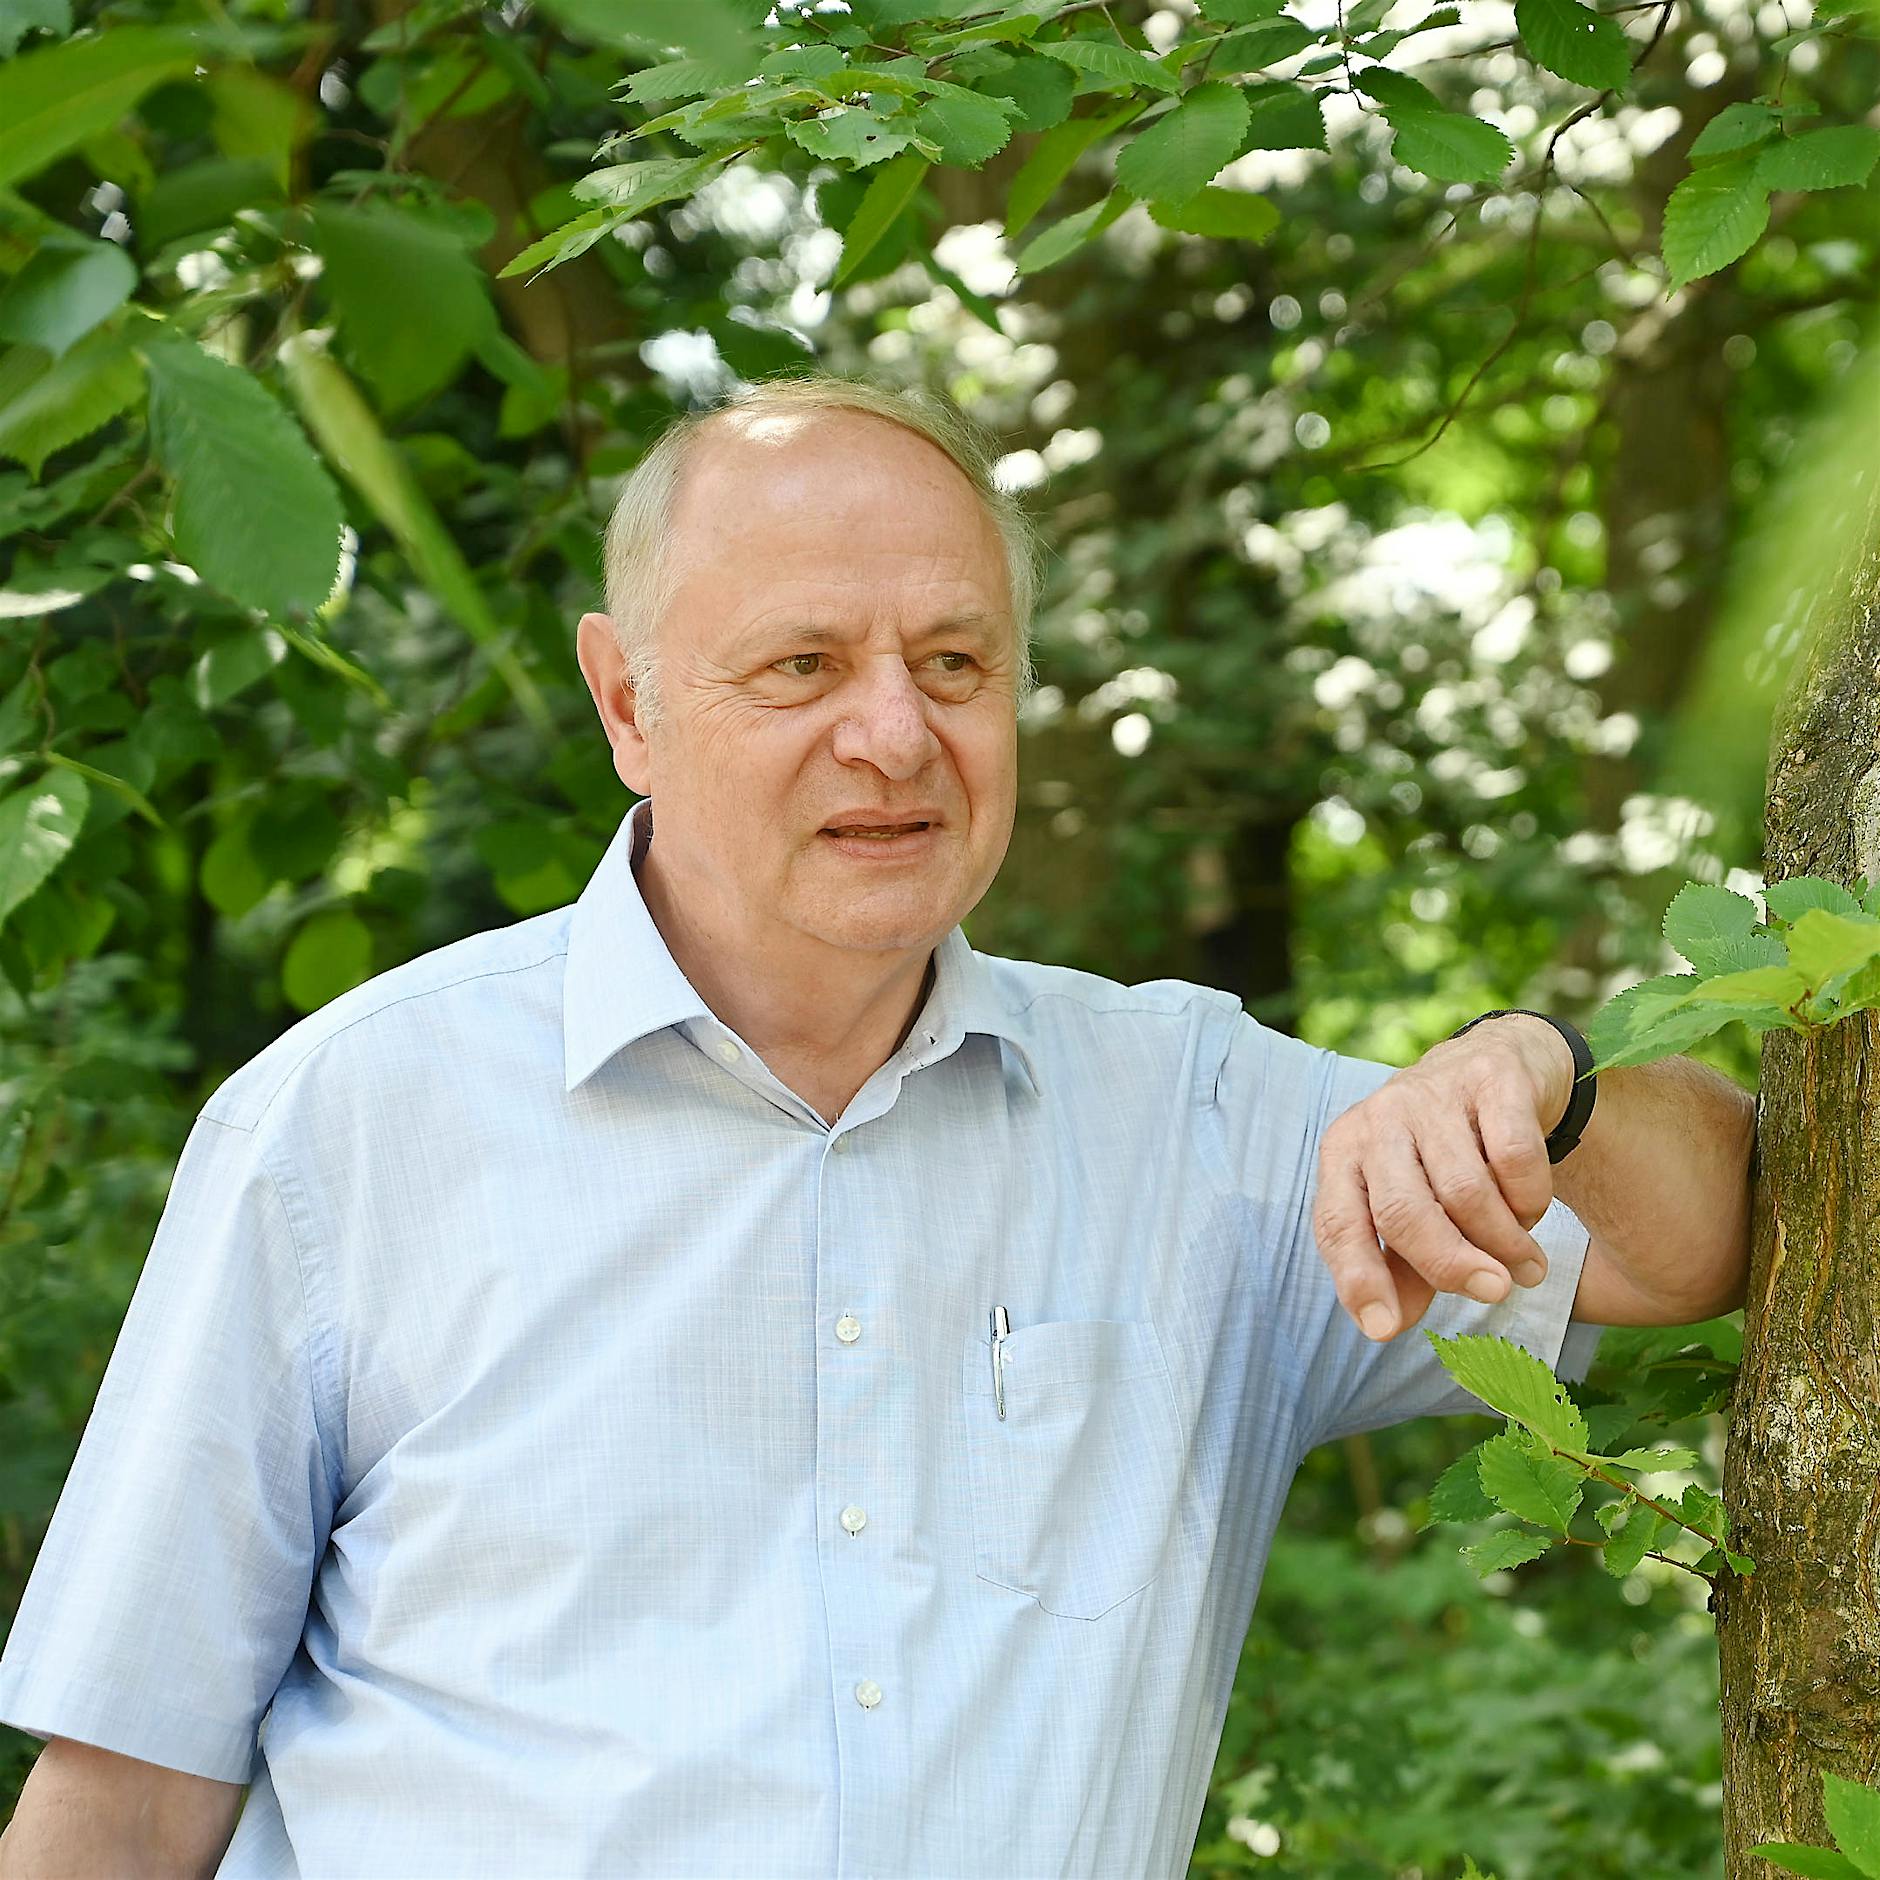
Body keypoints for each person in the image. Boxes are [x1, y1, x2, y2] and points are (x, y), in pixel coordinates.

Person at [0, 375, 1754, 1879]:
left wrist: (1546, 1069)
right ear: (630, 703)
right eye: (803, 664)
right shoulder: (347, 1125)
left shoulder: (1202, 1126)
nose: (896, 734)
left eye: (953, 658)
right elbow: (125, 1800)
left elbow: (1708, 1238)